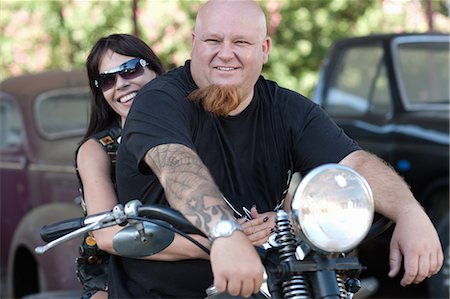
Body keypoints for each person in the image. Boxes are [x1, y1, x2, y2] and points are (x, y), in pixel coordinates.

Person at [114, 1, 444, 298]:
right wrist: (225, 233)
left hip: (267, 288)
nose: (225, 53)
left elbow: (354, 162)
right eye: (213, 40)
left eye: (241, 42)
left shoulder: (287, 109)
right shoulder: (159, 101)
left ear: (264, 49)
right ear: (194, 44)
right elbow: (177, 166)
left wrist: (410, 212)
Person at [76, 33, 209, 299]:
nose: (121, 84)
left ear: (156, 70)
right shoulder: (96, 150)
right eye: (107, 79)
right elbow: (107, 236)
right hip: (118, 269)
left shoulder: (193, 124)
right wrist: (214, 245)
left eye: (130, 69)